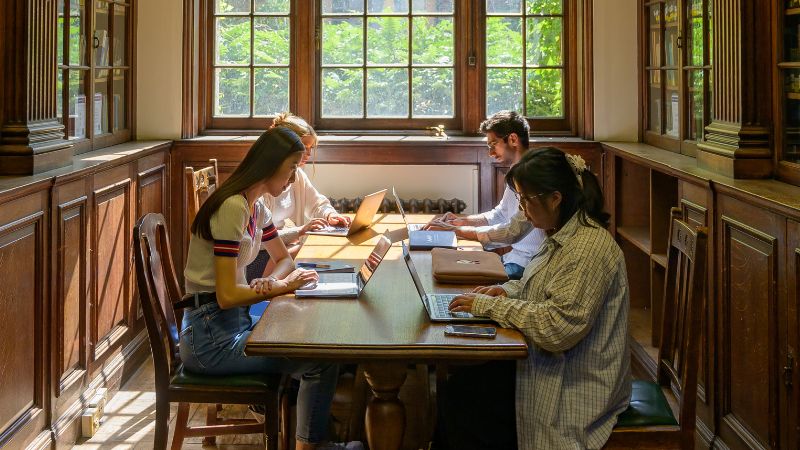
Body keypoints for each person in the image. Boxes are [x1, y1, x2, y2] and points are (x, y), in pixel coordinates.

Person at [181, 127, 361, 450]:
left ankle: (311, 442)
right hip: (210, 340)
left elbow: (284, 259)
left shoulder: (256, 207)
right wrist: (275, 289)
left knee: (321, 351)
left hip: (233, 324)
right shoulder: (232, 208)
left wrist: (275, 281)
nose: (294, 178)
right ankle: (311, 445)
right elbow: (225, 296)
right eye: (292, 168)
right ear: (272, 164)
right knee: (321, 359)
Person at [442, 147, 631, 450]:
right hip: (559, 364)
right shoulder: (562, 232)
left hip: (577, 380)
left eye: (526, 200)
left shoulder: (586, 249)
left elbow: (557, 328)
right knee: (462, 388)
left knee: (465, 400)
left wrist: (492, 305)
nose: (523, 210)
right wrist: (505, 291)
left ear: (556, 198)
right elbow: (538, 287)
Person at [424, 110, 545, 280]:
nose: (490, 153)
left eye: (493, 144)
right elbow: (501, 214)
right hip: (513, 259)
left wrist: (456, 230)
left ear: (513, 139)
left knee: (457, 278)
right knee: (447, 265)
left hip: (527, 265)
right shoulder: (516, 170)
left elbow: (512, 232)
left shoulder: (534, 176)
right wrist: (461, 220)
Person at [246, 112, 350, 282]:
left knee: (309, 254)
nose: (307, 153)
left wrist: (330, 215)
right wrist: (299, 232)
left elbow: (317, 203)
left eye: (311, 148)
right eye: (304, 146)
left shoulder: (298, 176)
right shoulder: (262, 187)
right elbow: (258, 240)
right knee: (308, 255)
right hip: (259, 256)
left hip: (279, 247)